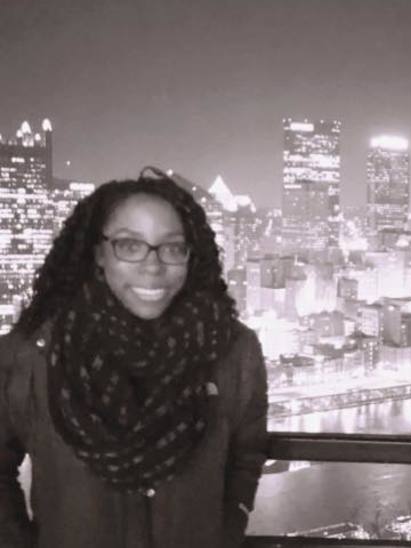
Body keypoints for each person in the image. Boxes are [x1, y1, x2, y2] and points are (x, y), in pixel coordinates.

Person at [0, 167, 268, 548]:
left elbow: (246, 454)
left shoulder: (232, 351)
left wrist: (229, 527)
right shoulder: (32, 356)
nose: (153, 266)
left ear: (191, 257)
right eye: (129, 246)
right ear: (99, 253)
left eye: (172, 248)